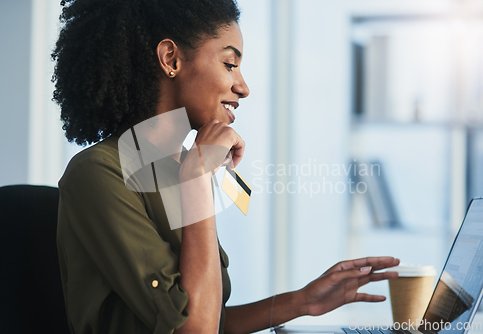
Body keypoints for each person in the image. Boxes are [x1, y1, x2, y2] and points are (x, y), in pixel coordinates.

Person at [52, 0, 400, 333]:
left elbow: (207, 316)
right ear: (170, 58)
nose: (243, 87)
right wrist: (198, 178)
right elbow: (196, 329)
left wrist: (301, 301)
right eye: (230, 64)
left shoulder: (176, 169)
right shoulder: (98, 173)